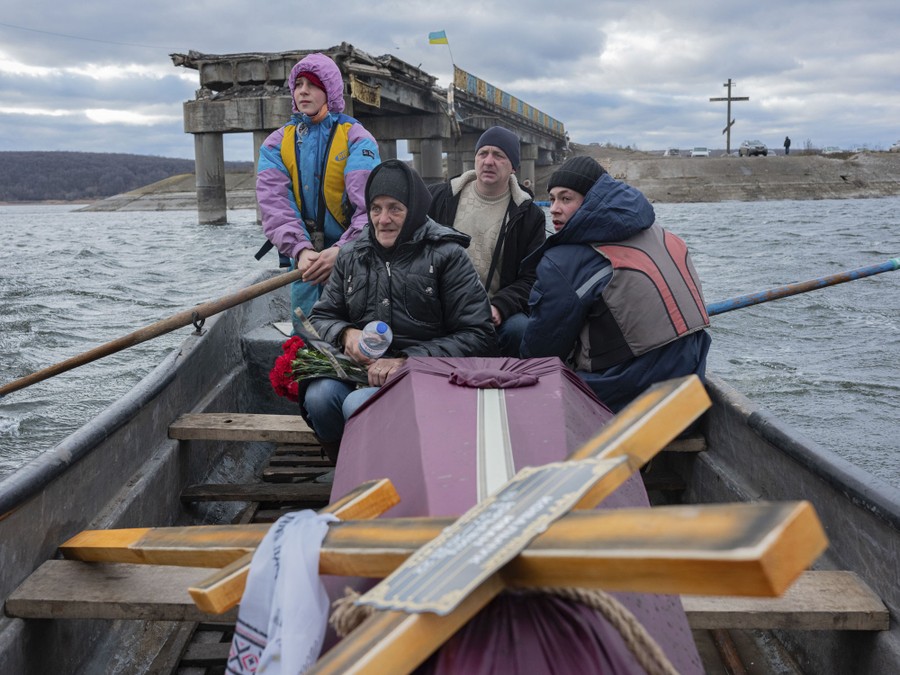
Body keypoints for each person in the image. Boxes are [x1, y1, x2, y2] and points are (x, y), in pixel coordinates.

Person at [302, 159, 498, 459]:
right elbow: (320, 317)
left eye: (395, 208)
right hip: (363, 371)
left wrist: (408, 361)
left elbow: (479, 334)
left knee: (360, 405)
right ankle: (346, 468)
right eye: (376, 208)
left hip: (428, 377)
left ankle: (392, 475)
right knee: (319, 398)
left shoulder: (448, 256)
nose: (383, 219)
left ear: (414, 209)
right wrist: (346, 334)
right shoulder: (351, 255)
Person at [520, 156, 711, 412]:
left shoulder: (565, 262)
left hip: (633, 390)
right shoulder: (660, 233)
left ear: (592, 201)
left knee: (521, 349)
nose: (554, 208)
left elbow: (540, 352)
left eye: (566, 199)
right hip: (691, 381)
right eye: (552, 199)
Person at [256, 53, 381, 335]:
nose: (303, 90)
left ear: (330, 91)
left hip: (353, 258)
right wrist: (300, 250)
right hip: (305, 261)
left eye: (312, 84)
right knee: (307, 337)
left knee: (354, 335)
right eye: (298, 84)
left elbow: (371, 209)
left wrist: (341, 251)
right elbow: (275, 205)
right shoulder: (275, 144)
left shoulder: (357, 138)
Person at [427, 126, 546, 356]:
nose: (488, 161)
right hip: (440, 309)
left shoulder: (529, 216)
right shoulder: (441, 197)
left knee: (520, 328)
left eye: (499, 155)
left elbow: (532, 277)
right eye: (483, 153)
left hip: (492, 315)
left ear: (513, 167)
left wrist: (501, 307)